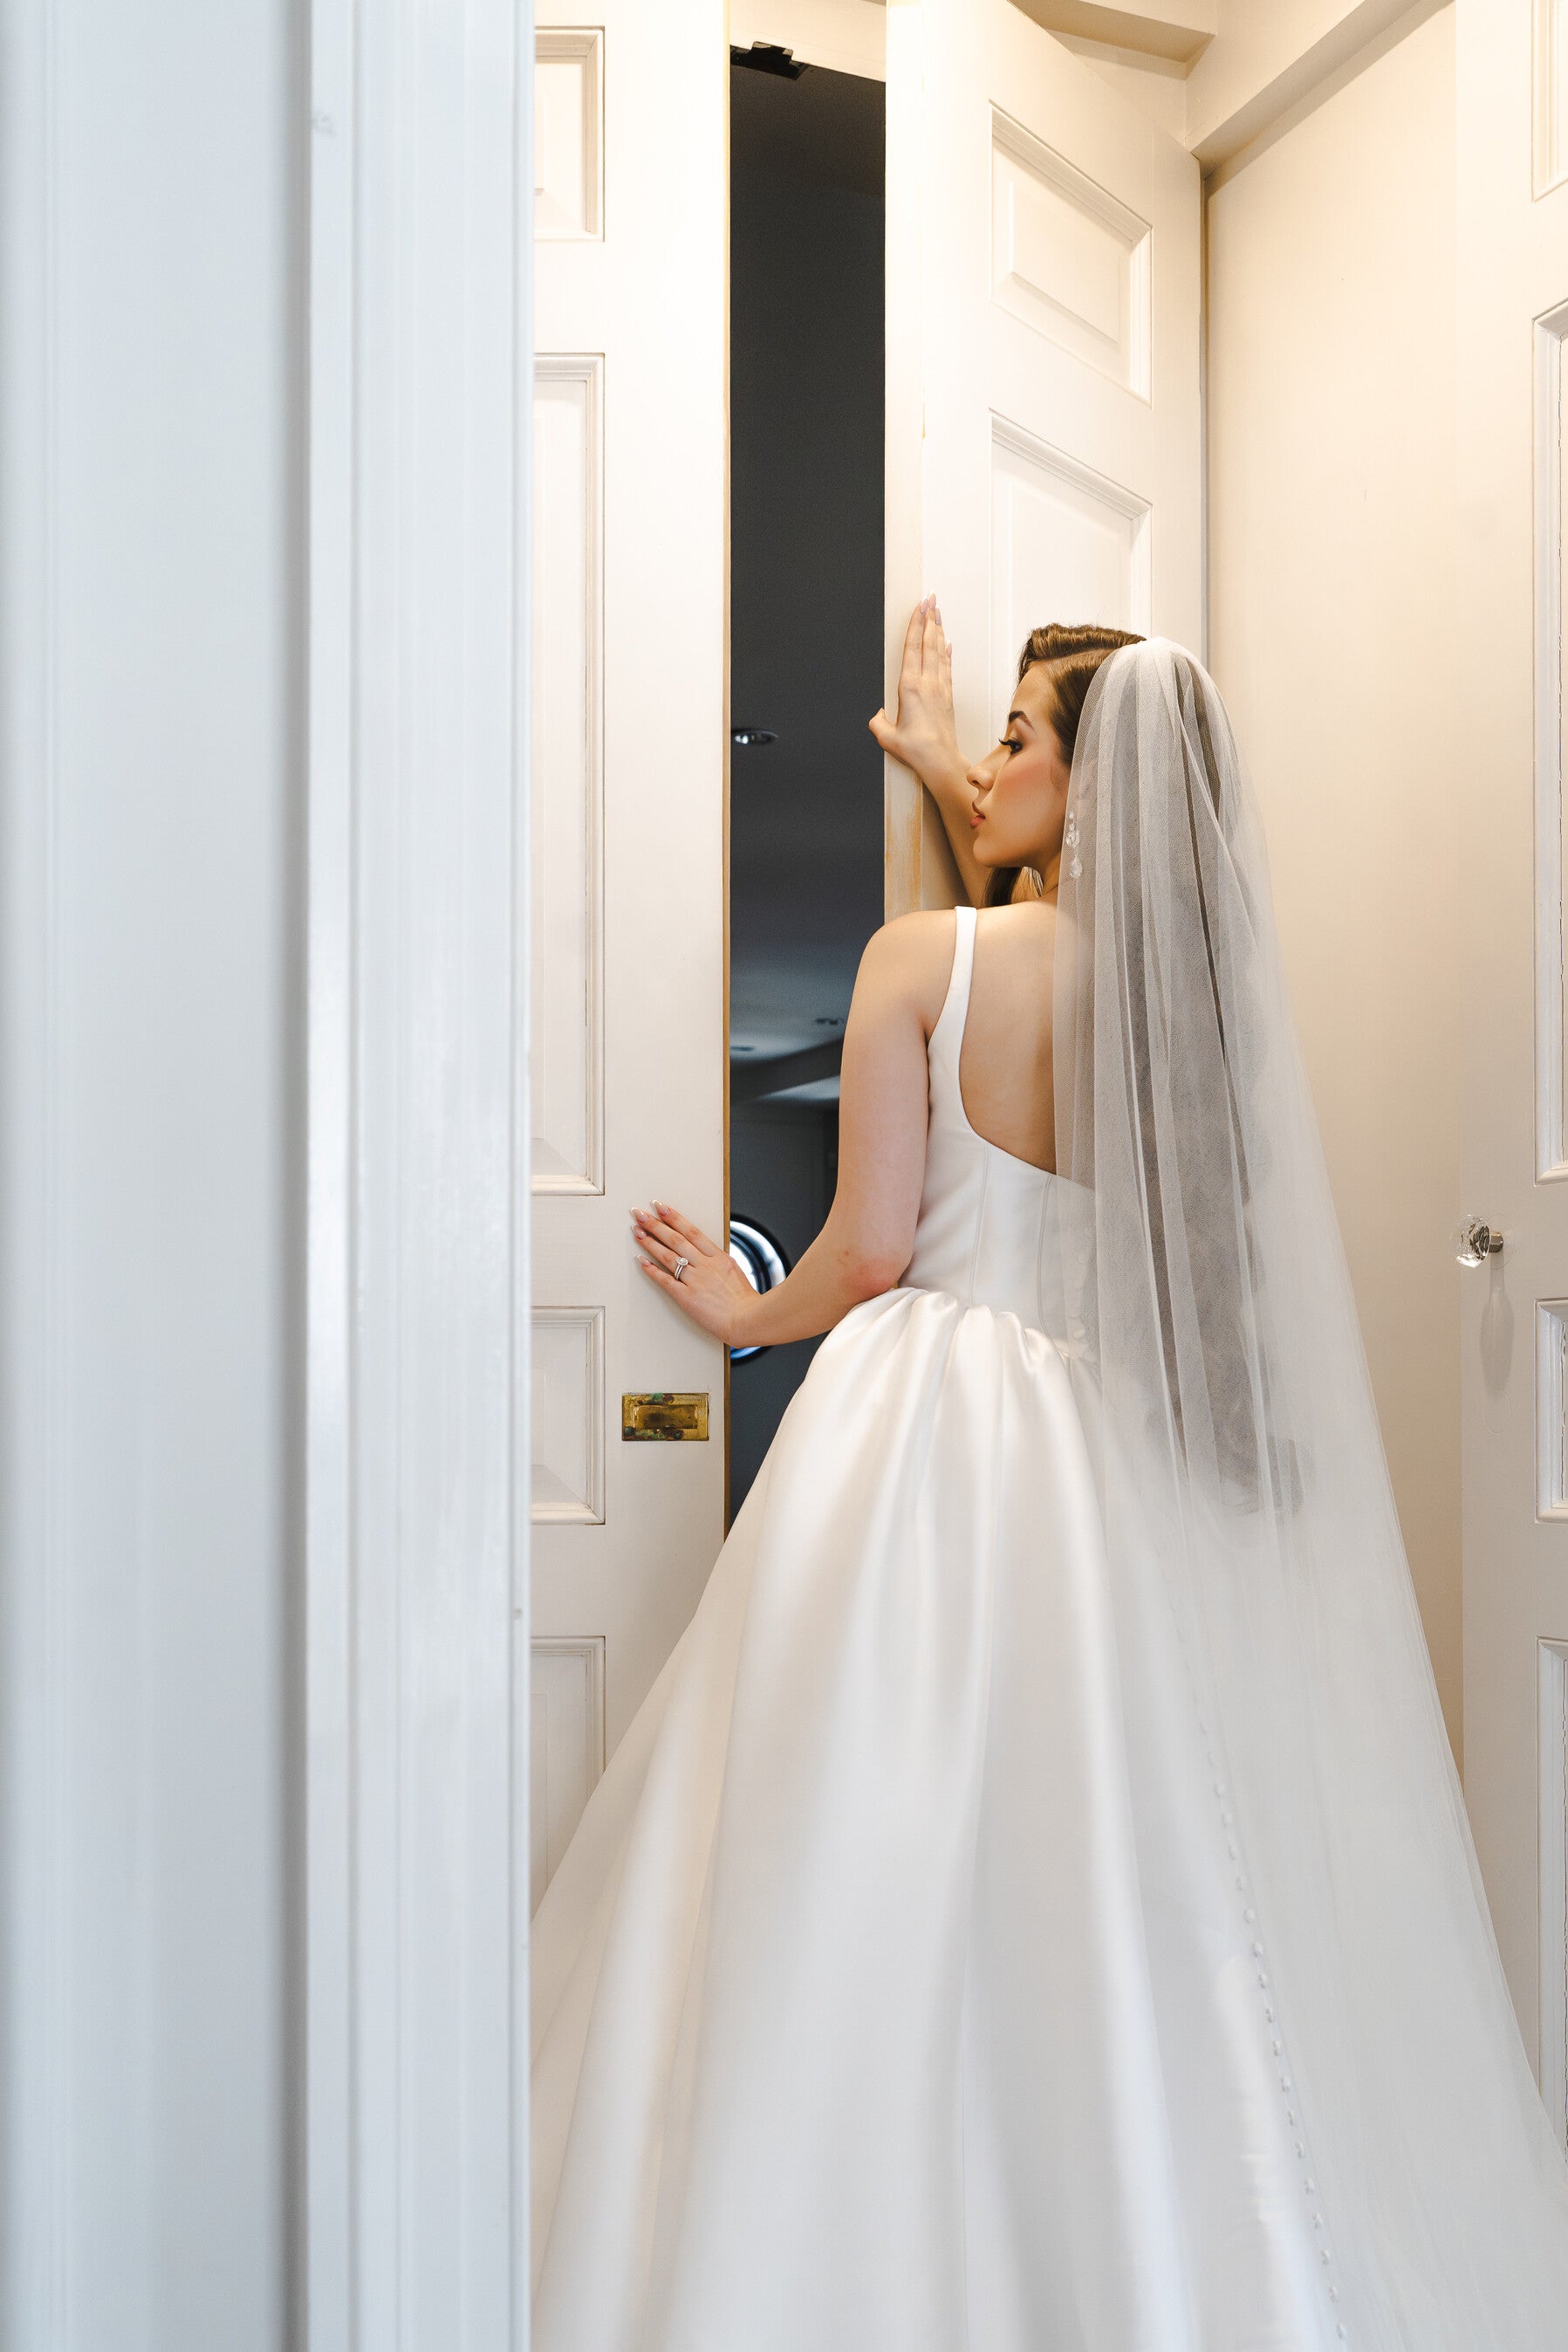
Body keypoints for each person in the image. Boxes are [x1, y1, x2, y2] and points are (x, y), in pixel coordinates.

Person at [531, 606, 1568, 2350]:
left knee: (853, 1846)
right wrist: (952, 767)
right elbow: (1063, 970)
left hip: (917, 1443)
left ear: (1089, 790)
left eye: (1020, 739)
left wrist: (737, 1311)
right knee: (1096, 1885)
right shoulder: (1181, 1020)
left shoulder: (908, 960)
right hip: (1092, 1468)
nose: (988, 763)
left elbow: (871, 1251)